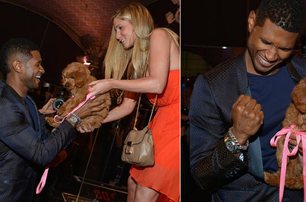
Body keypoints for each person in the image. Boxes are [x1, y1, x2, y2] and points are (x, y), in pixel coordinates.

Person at [188, 0, 306, 201]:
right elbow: (201, 175)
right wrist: (236, 137)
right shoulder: (214, 86)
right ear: (251, 22)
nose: (272, 55)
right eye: (266, 42)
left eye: (284, 48)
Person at [87, 2, 180, 202]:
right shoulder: (140, 61)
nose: (117, 36)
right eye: (115, 30)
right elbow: (126, 107)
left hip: (175, 124)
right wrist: (91, 120)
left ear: (137, 23)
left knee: (146, 191)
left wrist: (111, 82)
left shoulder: (159, 35)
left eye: (120, 28)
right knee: (132, 183)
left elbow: (157, 84)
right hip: (160, 125)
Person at [0, 38, 102, 201]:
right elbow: (41, 153)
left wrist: (53, 118)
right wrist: (74, 117)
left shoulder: (28, 102)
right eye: (37, 64)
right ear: (18, 66)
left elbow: (45, 143)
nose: (42, 69)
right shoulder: (4, 105)